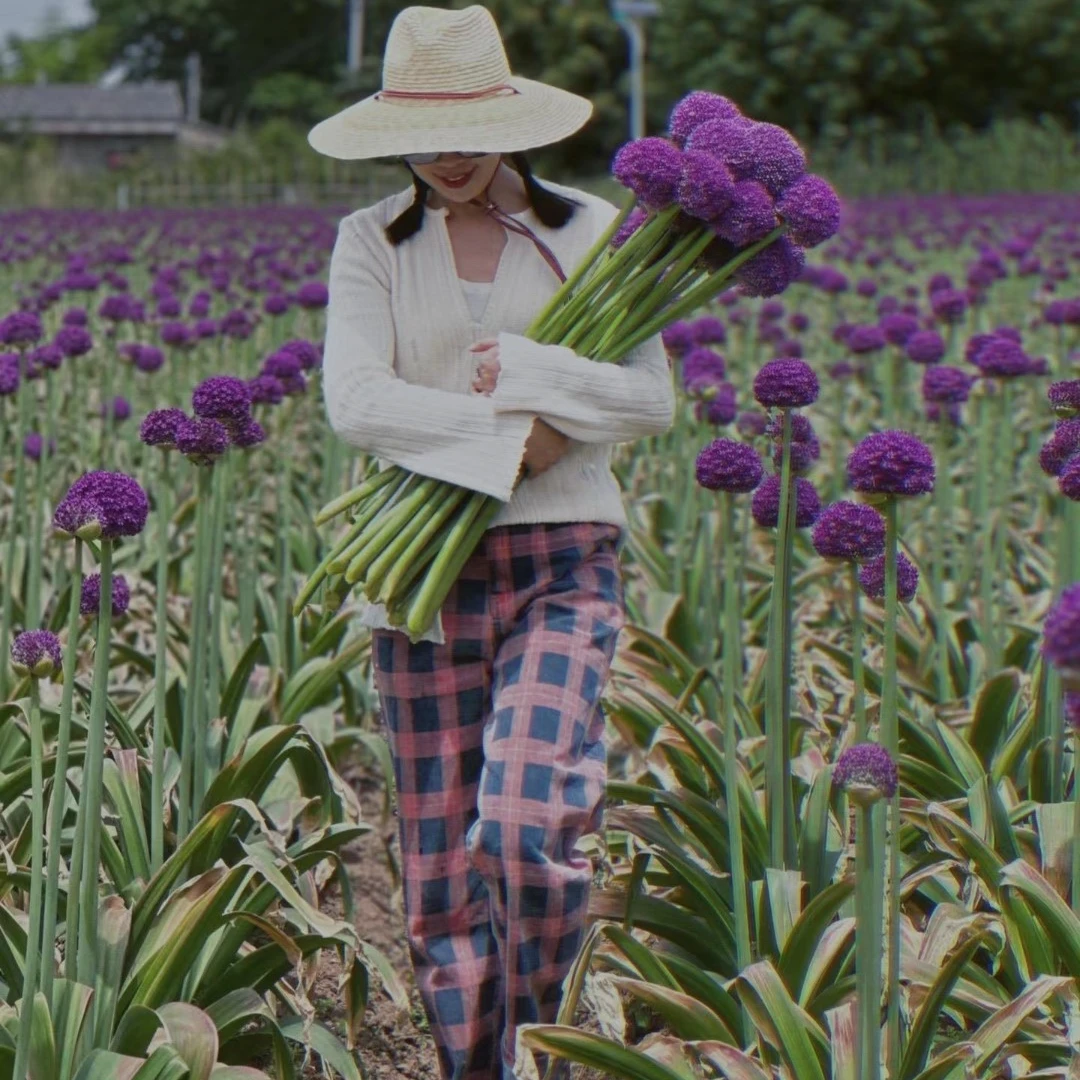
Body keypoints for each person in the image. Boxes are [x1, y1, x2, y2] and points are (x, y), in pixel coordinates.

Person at [309, 7, 674, 1079]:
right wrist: (507, 442)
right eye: (425, 131)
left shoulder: (591, 231)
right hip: (420, 581)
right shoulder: (371, 240)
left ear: (509, 119)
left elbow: (651, 399)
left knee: (523, 827)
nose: (450, 153)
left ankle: (543, 1050)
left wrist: (523, 372)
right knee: (437, 885)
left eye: (469, 125)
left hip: (564, 564)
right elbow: (357, 402)